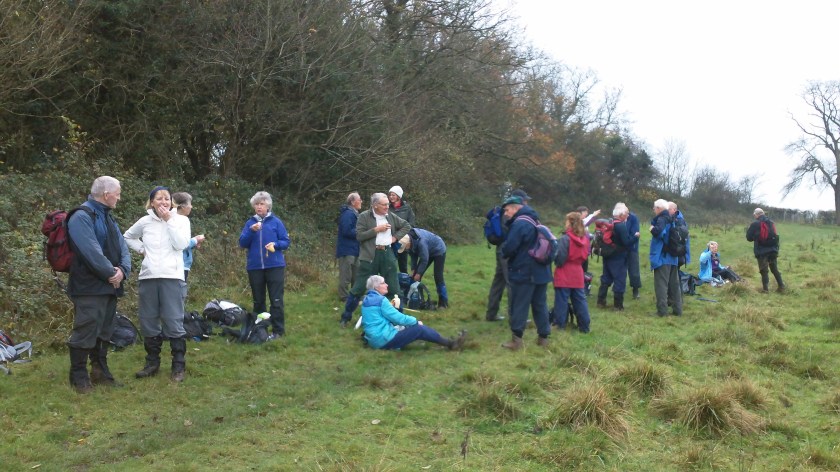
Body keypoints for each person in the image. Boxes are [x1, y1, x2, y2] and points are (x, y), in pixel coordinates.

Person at [65, 176, 132, 393]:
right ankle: (78, 376)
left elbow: (123, 248)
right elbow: (90, 251)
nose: (119, 198)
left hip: (110, 286)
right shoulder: (81, 217)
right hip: (88, 287)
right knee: (86, 329)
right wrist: (110, 273)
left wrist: (123, 271)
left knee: (105, 330)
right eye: (118, 193)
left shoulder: (109, 218)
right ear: (106, 194)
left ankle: (100, 372)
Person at [124, 186, 191, 381]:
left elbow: (180, 244)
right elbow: (127, 236)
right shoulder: (145, 221)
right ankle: (152, 363)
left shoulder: (181, 220)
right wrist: (142, 250)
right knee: (149, 320)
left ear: (172, 202)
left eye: (167, 199)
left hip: (173, 276)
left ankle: (178, 366)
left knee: (173, 320)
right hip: (148, 276)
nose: (164, 202)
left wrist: (169, 221)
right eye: (159, 198)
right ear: (151, 202)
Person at [340, 192, 411, 328]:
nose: (387, 207)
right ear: (375, 205)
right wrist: (376, 230)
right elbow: (359, 236)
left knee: (394, 289)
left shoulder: (390, 216)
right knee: (358, 288)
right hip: (369, 257)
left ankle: (399, 320)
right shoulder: (364, 216)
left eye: (387, 204)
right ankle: (345, 317)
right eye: (384, 205)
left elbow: (406, 225)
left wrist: (395, 238)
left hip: (387, 254)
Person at [499, 195, 552, 350]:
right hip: (541, 271)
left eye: (507, 210)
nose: (506, 214)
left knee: (519, 304)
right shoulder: (535, 220)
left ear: (516, 207)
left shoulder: (520, 223)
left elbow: (510, 247)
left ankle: (516, 341)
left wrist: (504, 252)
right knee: (540, 304)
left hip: (524, 271)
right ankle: (543, 338)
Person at [360, 275, 466, 350]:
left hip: (374, 339)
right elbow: (398, 319)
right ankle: (451, 344)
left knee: (408, 327)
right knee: (419, 329)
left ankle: (439, 340)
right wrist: (415, 321)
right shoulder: (381, 301)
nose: (387, 284)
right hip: (383, 340)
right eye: (383, 283)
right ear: (376, 287)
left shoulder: (366, 300)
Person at [239, 191, 291, 339]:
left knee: (276, 300)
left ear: (268, 206)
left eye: (262, 204)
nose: (259, 207)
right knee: (258, 301)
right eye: (256, 204)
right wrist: (251, 231)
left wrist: (275, 244)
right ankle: (260, 330)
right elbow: (242, 243)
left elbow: (286, 241)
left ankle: (278, 331)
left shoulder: (276, 222)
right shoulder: (250, 223)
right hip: (255, 267)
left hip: (275, 266)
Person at [485, 189, 531, 322]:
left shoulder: (502, 213)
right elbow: (513, 234)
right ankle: (515, 316)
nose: (526, 203)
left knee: (498, 282)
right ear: (518, 200)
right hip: (507, 251)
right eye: (525, 200)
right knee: (512, 282)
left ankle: (491, 314)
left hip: (500, 249)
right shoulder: (510, 213)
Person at [552, 212, 591, 333]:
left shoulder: (565, 239)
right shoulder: (585, 238)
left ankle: (560, 325)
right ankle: (584, 326)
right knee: (580, 300)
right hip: (578, 271)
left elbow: (560, 258)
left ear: (570, 222)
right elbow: (586, 256)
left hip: (564, 271)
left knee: (561, 301)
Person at [398, 227, 448, 308]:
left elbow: (424, 259)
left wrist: (419, 273)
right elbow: (413, 256)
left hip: (438, 250)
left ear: (408, 244)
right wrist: (414, 270)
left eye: (405, 247)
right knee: (414, 276)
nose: (405, 250)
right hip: (427, 251)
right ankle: (419, 300)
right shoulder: (409, 241)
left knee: (438, 276)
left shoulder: (422, 242)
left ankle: (443, 303)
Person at [596, 203, 633, 311]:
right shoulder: (621, 225)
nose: (628, 215)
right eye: (626, 213)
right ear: (621, 214)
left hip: (607, 254)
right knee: (619, 279)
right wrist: (635, 237)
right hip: (618, 256)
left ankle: (600, 301)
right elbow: (626, 242)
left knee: (606, 277)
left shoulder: (610, 223)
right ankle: (618, 305)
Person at [649, 199, 682, 316]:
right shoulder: (672, 218)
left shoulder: (662, 219)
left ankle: (662, 312)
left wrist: (652, 229)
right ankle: (678, 310)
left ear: (659, 208)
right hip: (673, 257)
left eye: (654, 208)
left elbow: (659, 234)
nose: (653, 210)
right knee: (674, 285)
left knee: (661, 285)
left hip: (663, 257)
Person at [172, 192, 206, 306]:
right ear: (182, 206)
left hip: (181, 264)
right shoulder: (181, 220)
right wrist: (195, 240)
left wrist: (193, 241)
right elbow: (182, 244)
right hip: (179, 265)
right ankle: (177, 322)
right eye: (190, 204)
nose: (191, 207)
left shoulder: (175, 219)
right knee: (178, 298)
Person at [746, 208, 785, 292]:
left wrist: (755, 237)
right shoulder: (771, 222)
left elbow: (748, 238)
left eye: (754, 215)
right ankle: (781, 286)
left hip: (761, 251)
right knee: (774, 269)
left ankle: (765, 290)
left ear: (756, 214)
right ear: (763, 213)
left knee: (764, 270)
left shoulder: (755, 224)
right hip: (773, 249)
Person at [336, 192, 361, 302]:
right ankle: (344, 297)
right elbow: (346, 231)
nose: (361, 202)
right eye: (359, 199)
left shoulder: (354, 214)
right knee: (346, 275)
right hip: (347, 249)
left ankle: (354, 295)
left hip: (355, 249)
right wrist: (361, 232)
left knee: (355, 274)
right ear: (352, 202)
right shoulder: (348, 214)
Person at [388, 185, 416, 273]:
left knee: (403, 265)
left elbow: (411, 224)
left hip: (403, 240)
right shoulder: (387, 207)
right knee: (390, 265)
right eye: (390, 195)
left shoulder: (407, 208)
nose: (391, 197)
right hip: (390, 240)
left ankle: (404, 284)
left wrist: (401, 233)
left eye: (393, 195)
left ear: (399, 196)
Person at [625, 205, 642, 299]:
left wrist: (627, 239)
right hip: (620, 248)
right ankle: (619, 288)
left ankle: (636, 290)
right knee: (619, 268)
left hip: (632, 247)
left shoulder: (633, 218)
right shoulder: (618, 218)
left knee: (634, 270)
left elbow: (635, 232)